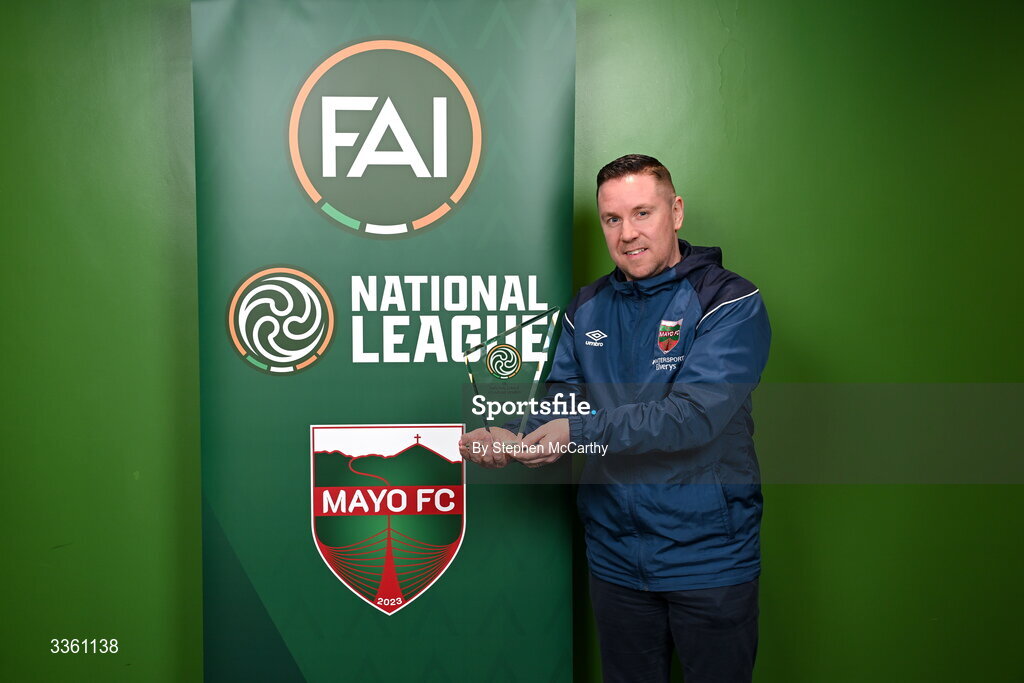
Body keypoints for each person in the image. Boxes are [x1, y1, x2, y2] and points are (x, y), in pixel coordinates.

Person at [460, 154, 771, 683]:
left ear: (676, 212)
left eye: (642, 213)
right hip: (615, 558)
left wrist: (576, 433)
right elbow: (565, 402)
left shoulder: (729, 301)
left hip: (708, 558)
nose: (627, 233)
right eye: (612, 219)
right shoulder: (587, 307)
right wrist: (514, 438)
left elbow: (693, 417)